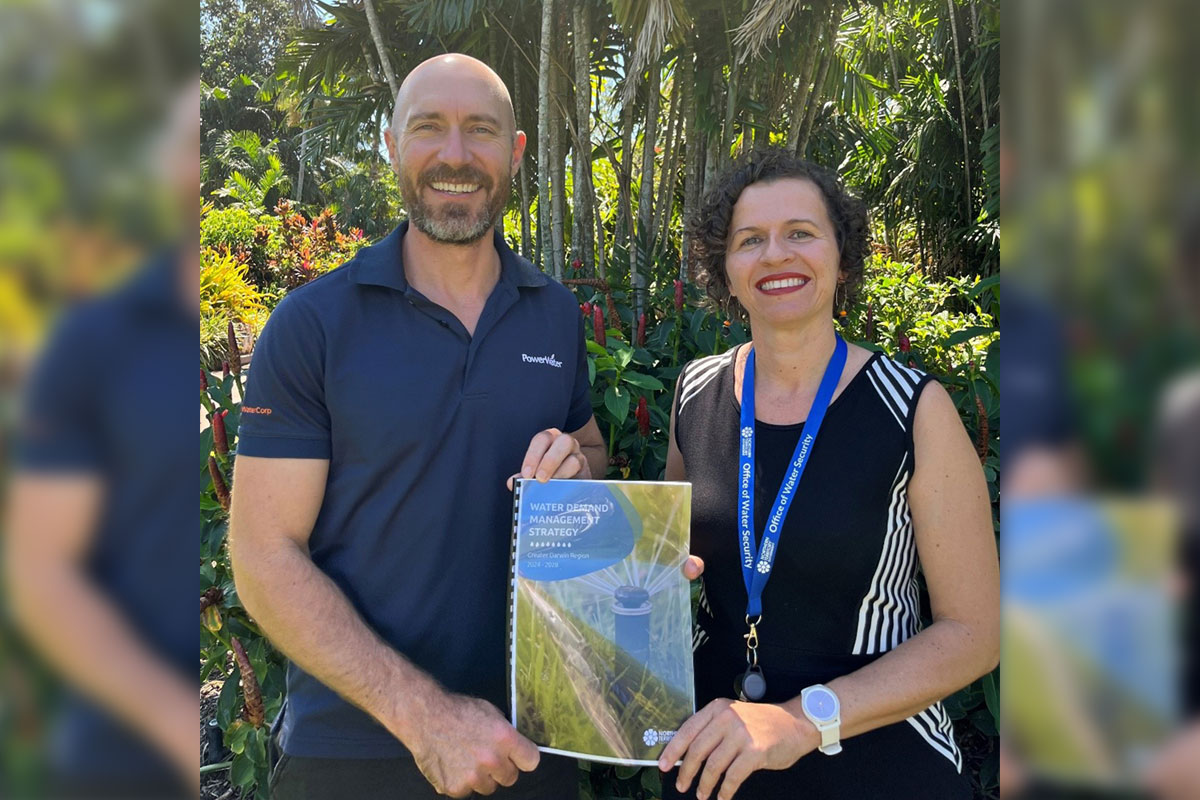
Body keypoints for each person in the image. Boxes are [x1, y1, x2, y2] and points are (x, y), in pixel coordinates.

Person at [228, 54, 608, 799]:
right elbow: (262, 555)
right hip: (354, 748)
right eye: (429, 128)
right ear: (392, 144)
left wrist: (578, 467)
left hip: (532, 737)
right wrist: (425, 717)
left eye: (481, 131)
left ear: (517, 151)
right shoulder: (313, 325)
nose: (456, 156)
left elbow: (588, 449)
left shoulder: (554, 313)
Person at [657, 148, 1000, 800]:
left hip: (876, 762)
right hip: (716, 758)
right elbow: (671, 566)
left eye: (801, 234)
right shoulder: (694, 392)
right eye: (749, 240)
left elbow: (976, 635)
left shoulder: (913, 407)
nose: (775, 254)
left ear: (841, 260)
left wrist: (799, 722)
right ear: (724, 272)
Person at [4, 79, 200, 798]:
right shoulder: (93, 341)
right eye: (191, 145)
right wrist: (173, 717)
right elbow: (41, 572)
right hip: (118, 761)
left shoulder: (298, 335)